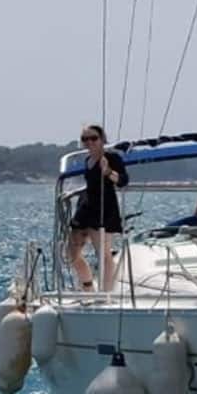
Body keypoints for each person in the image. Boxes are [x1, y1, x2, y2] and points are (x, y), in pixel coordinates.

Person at [68, 124, 128, 290]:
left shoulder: (111, 158)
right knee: (71, 254)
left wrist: (108, 171)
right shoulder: (88, 160)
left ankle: (106, 293)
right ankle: (89, 288)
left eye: (93, 138)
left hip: (104, 209)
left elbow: (123, 181)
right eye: (85, 139)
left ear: (102, 139)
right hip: (86, 209)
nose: (89, 142)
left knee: (103, 254)